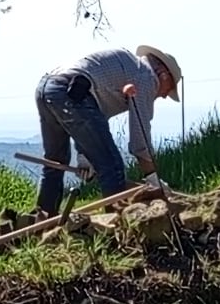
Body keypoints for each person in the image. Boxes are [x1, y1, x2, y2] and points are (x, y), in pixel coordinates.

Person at [29, 45, 181, 215]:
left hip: (48, 87)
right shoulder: (146, 77)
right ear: (164, 74)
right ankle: (115, 226)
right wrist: (153, 178)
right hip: (69, 91)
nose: (165, 95)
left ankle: (42, 220)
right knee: (112, 166)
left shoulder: (129, 66)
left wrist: (84, 155)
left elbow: (94, 117)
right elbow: (140, 139)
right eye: (170, 87)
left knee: (56, 161)